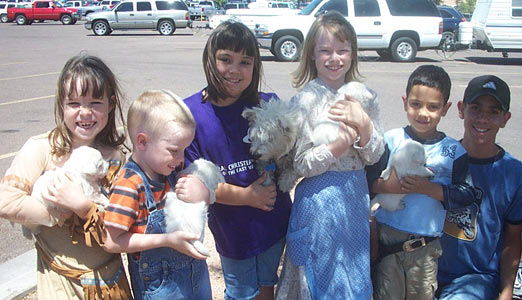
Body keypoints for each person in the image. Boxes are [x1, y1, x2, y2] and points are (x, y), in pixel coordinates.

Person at [0, 54, 132, 299]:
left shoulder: (115, 157)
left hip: (112, 281)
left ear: (111, 104)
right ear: (61, 103)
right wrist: (61, 210)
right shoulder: (41, 149)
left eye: (95, 102)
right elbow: (6, 202)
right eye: (74, 103)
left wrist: (85, 207)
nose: (85, 113)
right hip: (62, 283)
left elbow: (120, 221)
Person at [276, 11, 384, 300]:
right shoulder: (304, 100)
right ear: (311, 54)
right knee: (318, 273)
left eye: (342, 50)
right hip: (318, 204)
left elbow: (374, 155)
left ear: (353, 54)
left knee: (352, 273)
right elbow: (299, 163)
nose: (334, 58)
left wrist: (363, 125)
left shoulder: (365, 97)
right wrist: (336, 147)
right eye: (325, 50)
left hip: (354, 199)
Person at [183, 21, 292, 300]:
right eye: (225, 59)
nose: (235, 70)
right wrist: (246, 196)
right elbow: (197, 184)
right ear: (210, 58)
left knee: (268, 286)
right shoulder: (190, 114)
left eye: (245, 62)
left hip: (273, 224)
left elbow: (291, 157)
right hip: (233, 233)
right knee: (241, 293)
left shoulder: (268, 105)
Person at [366, 65, 475, 300]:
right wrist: (388, 187)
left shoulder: (454, 151)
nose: (423, 113)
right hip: (388, 242)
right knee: (386, 295)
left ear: (445, 109)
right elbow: (368, 180)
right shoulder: (391, 139)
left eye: (433, 107)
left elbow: (465, 196)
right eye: (416, 104)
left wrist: (430, 189)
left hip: (425, 246)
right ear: (405, 102)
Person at [103, 90, 212, 300]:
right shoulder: (129, 185)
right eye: (174, 150)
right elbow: (112, 241)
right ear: (142, 142)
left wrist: (203, 193)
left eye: (185, 149)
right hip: (161, 287)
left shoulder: (170, 172)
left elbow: (202, 200)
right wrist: (167, 240)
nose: (181, 159)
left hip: (195, 280)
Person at [436, 75, 522, 300]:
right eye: (475, 108)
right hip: (426, 266)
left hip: (476, 277)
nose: (483, 118)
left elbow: (513, 238)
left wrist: (506, 291)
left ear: (505, 118)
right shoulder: (440, 157)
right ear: (461, 109)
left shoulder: (514, 173)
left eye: (494, 111)